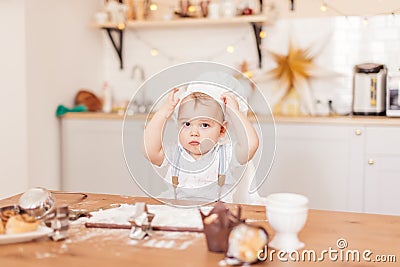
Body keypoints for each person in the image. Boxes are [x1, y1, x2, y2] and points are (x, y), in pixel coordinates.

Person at [143, 83, 259, 202]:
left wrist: (234, 111)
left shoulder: (225, 154)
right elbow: (149, 150)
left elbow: (251, 145)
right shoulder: (175, 155)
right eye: (187, 124)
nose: (194, 132)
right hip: (179, 215)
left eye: (204, 125)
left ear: (222, 130)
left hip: (215, 217)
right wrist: (163, 113)